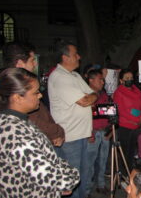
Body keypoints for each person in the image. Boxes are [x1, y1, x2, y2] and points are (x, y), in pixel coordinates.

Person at [0, 68, 80, 197]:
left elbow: (43, 164)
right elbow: (50, 176)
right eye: (35, 92)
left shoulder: (14, 122)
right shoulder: (13, 132)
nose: (40, 95)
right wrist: (72, 175)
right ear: (17, 98)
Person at [0, 41, 65, 149]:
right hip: (30, 148)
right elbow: (32, 121)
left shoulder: (20, 84)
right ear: (19, 64)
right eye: (32, 60)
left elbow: (42, 114)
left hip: (41, 142)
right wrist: (58, 131)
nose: (35, 64)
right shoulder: (9, 88)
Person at [48, 41, 97, 198]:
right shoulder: (59, 77)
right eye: (75, 54)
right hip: (69, 137)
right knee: (71, 180)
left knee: (82, 176)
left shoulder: (74, 75)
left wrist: (91, 97)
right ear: (65, 57)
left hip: (81, 134)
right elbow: (85, 101)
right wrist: (90, 97)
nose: (79, 57)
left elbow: (94, 94)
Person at [113, 69, 141, 172]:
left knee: (133, 151)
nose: (130, 80)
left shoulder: (136, 90)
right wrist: (136, 118)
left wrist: (140, 117)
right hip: (125, 126)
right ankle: (124, 173)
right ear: (121, 80)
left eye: (131, 78)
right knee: (126, 152)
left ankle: (131, 171)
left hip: (137, 125)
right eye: (127, 78)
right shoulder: (118, 92)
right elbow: (121, 110)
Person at [85, 69, 111, 195]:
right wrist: (88, 133)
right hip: (93, 133)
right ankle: (87, 189)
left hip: (104, 132)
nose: (102, 81)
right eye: (100, 79)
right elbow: (83, 117)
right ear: (91, 80)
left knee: (103, 160)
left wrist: (110, 130)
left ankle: (101, 184)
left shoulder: (104, 95)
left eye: (103, 79)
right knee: (89, 163)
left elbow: (110, 113)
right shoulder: (85, 95)